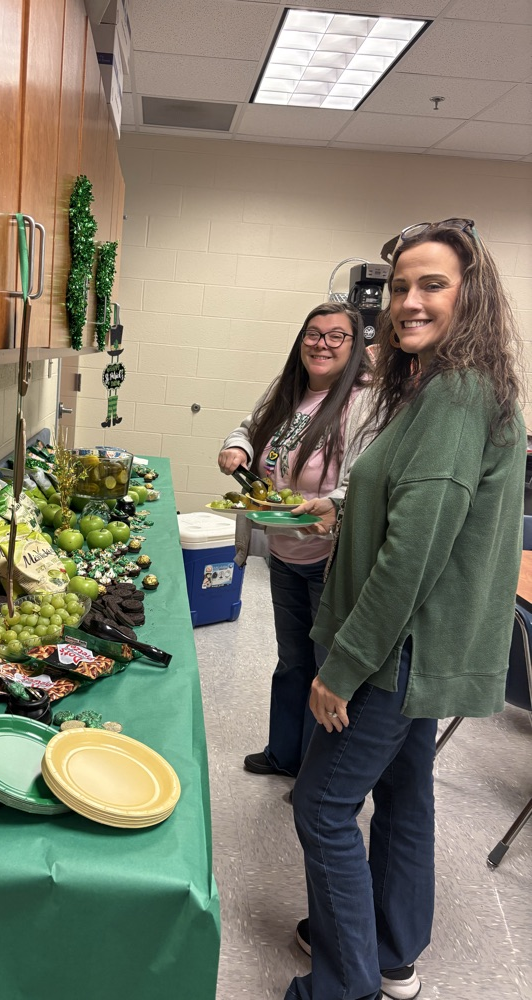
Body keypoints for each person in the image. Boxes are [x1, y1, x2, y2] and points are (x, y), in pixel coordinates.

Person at [284, 219, 526, 1000]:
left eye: (433, 285)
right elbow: (423, 510)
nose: (409, 302)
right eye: (399, 287)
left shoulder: (455, 395)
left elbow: (414, 554)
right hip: (419, 651)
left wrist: (344, 668)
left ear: (471, 296)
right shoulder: (447, 387)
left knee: (323, 807)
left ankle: (344, 985)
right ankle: (388, 948)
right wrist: (346, 508)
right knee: (403, 789)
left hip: (395, 652)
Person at [218, 302, 374, 778]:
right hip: (285, 554)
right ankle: (285, 754)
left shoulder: (364, 401)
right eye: (313, 333)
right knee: (292, 662)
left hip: (330, 561)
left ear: (356, 346)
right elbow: (249, 426)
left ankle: (317, 775)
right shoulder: (287, 390)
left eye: (336, 335)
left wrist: (335, 503)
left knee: (328, 672)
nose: (321, 344)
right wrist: (237, 446)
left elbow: (367, 476)